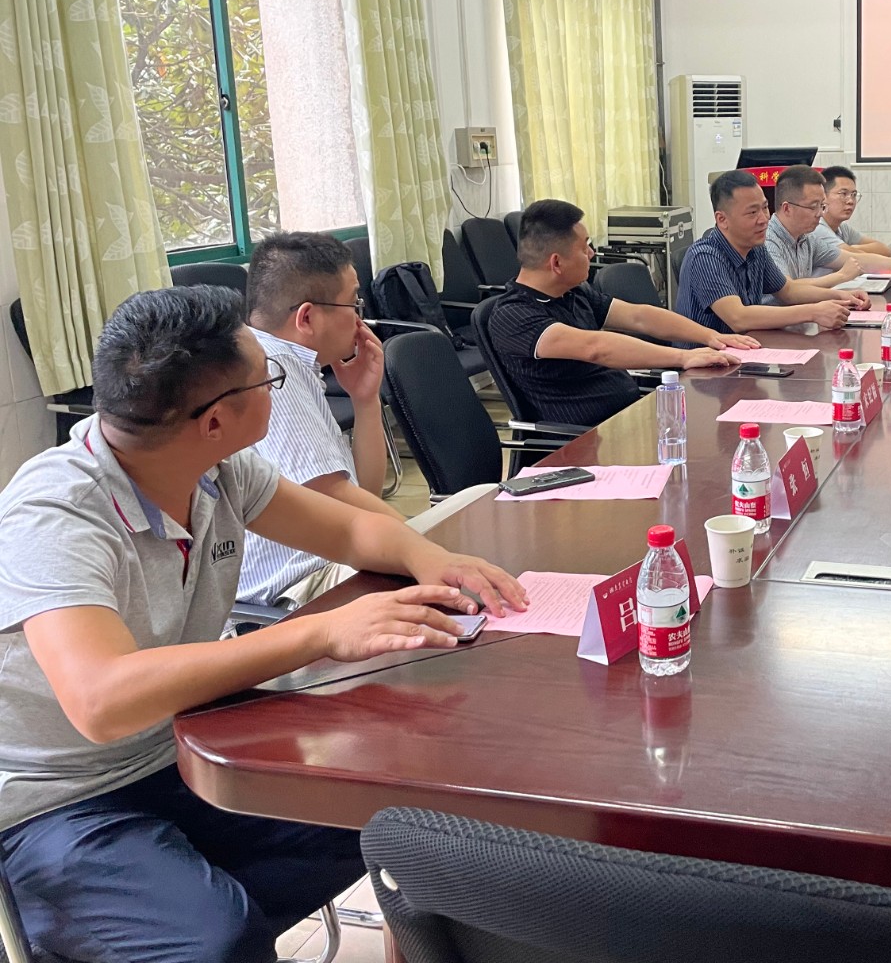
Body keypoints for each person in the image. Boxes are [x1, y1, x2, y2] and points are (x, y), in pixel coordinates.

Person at [0, 285, 526, 963]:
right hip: (56, 803)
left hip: (184, 748)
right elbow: (102, 700)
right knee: (217, 938)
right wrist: (321, 632)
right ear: (216, 419)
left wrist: (434, 561)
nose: (278, 389)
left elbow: (353, 532)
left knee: (403, 824)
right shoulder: (56, 514)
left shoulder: (217, 469)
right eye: (268, 378)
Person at [240, 232, 401, 609]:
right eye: (353, 302)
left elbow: (364, 493)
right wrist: (428, 547)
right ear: (308, 317)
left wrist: (365, 400)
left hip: (330, 564)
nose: (360, 318)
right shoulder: (271, 370)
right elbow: (334, 497)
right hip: (299, 587)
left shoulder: (293, 365)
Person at [489, 199, 758, 426]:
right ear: (556, 263)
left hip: (628, 416)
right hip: (584, 439)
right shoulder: (513, 315)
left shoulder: (572, 293)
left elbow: (639, 316)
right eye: (584, 247)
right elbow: (596, 348)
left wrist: (711, 336)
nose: (591, 253)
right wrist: (683, 357)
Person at [676, 170, 868, 334]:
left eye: (765, 207)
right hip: (706, 361)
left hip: (746, 350)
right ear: (722, 220)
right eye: (752, 212)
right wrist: (813, 312)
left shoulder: (756, 250)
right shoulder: (705, 257)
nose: (763, 219)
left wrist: (842, 296)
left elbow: (788, 291)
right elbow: (738, 317)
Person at [764, 165, 865, 288]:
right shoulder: (768, 241)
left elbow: (856, 259)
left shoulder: (807, 239)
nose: (820, 213)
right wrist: (841, 276)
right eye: (813, 207)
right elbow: (787, 288)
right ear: (787, 208)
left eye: (822, 206)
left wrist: (890, 266)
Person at [812, 165, 891, 263]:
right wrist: (852, 251)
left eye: (853, 195)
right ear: (823, 196)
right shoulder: (817, 227)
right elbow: (858, 259)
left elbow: (885, 250)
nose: (850, 201)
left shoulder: (842, 228)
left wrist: (852, 248)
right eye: (843, 194)